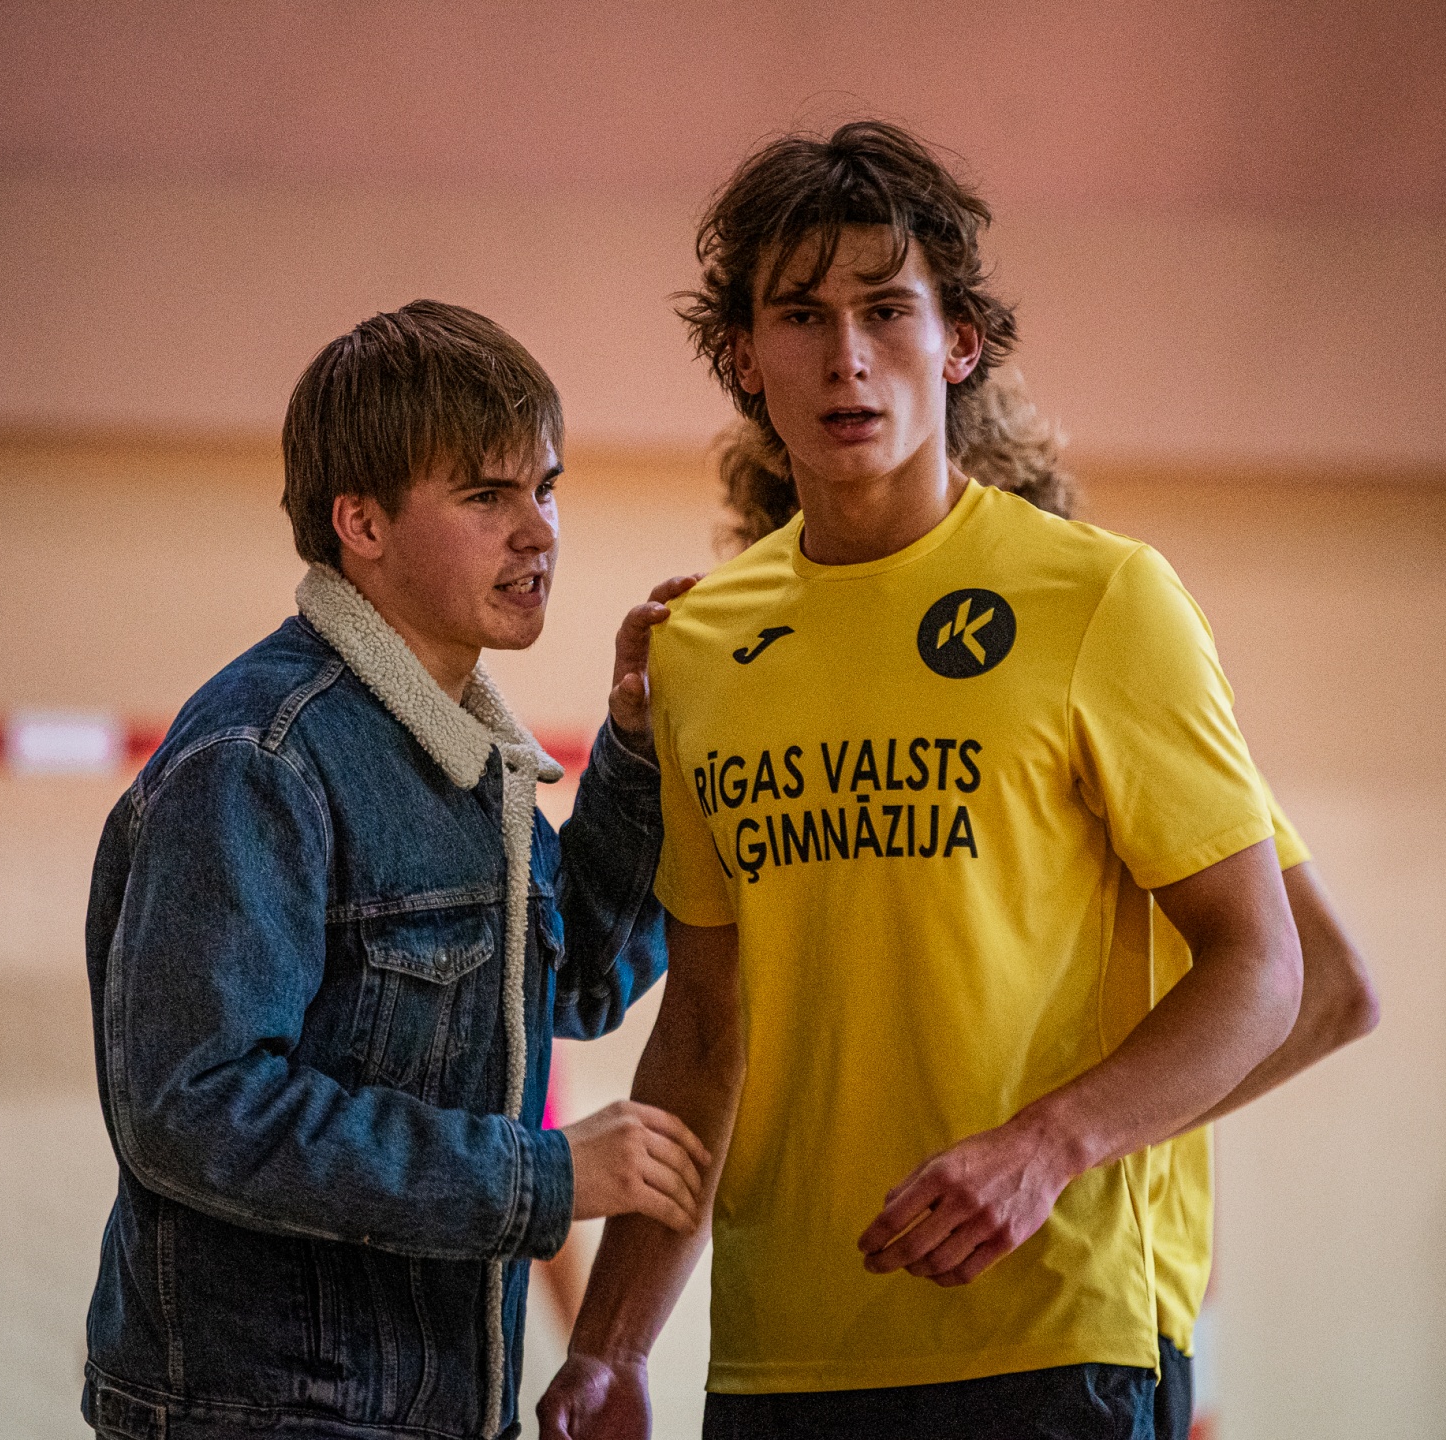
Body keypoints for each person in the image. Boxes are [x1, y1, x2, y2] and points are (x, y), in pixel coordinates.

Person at [539, 121, 1304, 1440]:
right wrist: (611, 1345)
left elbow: (1268, 968)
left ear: (959, 343)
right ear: (744, 358)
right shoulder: (701, 646)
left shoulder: (1104, 599)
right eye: (799, 316)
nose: (845, 357)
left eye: (886, 310)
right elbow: (704, 1036)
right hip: (778, 1365)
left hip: (1047, 1343)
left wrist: (1049, 1146)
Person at [79, 300, 711, 1440]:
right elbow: (195, 1111)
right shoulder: (260, 754)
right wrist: (541, 1178)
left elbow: (572, 984)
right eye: (486, 496)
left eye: (546, 488)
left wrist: (639, 752)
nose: (538, 532)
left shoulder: (456, 748)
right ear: (360, 523)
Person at [712, 371, 1381, 1440]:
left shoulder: (1096, 667)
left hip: (1090, 1302)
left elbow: (1330, 985)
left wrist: (1071, 1141)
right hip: (837, 1316)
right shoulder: (760, 672)